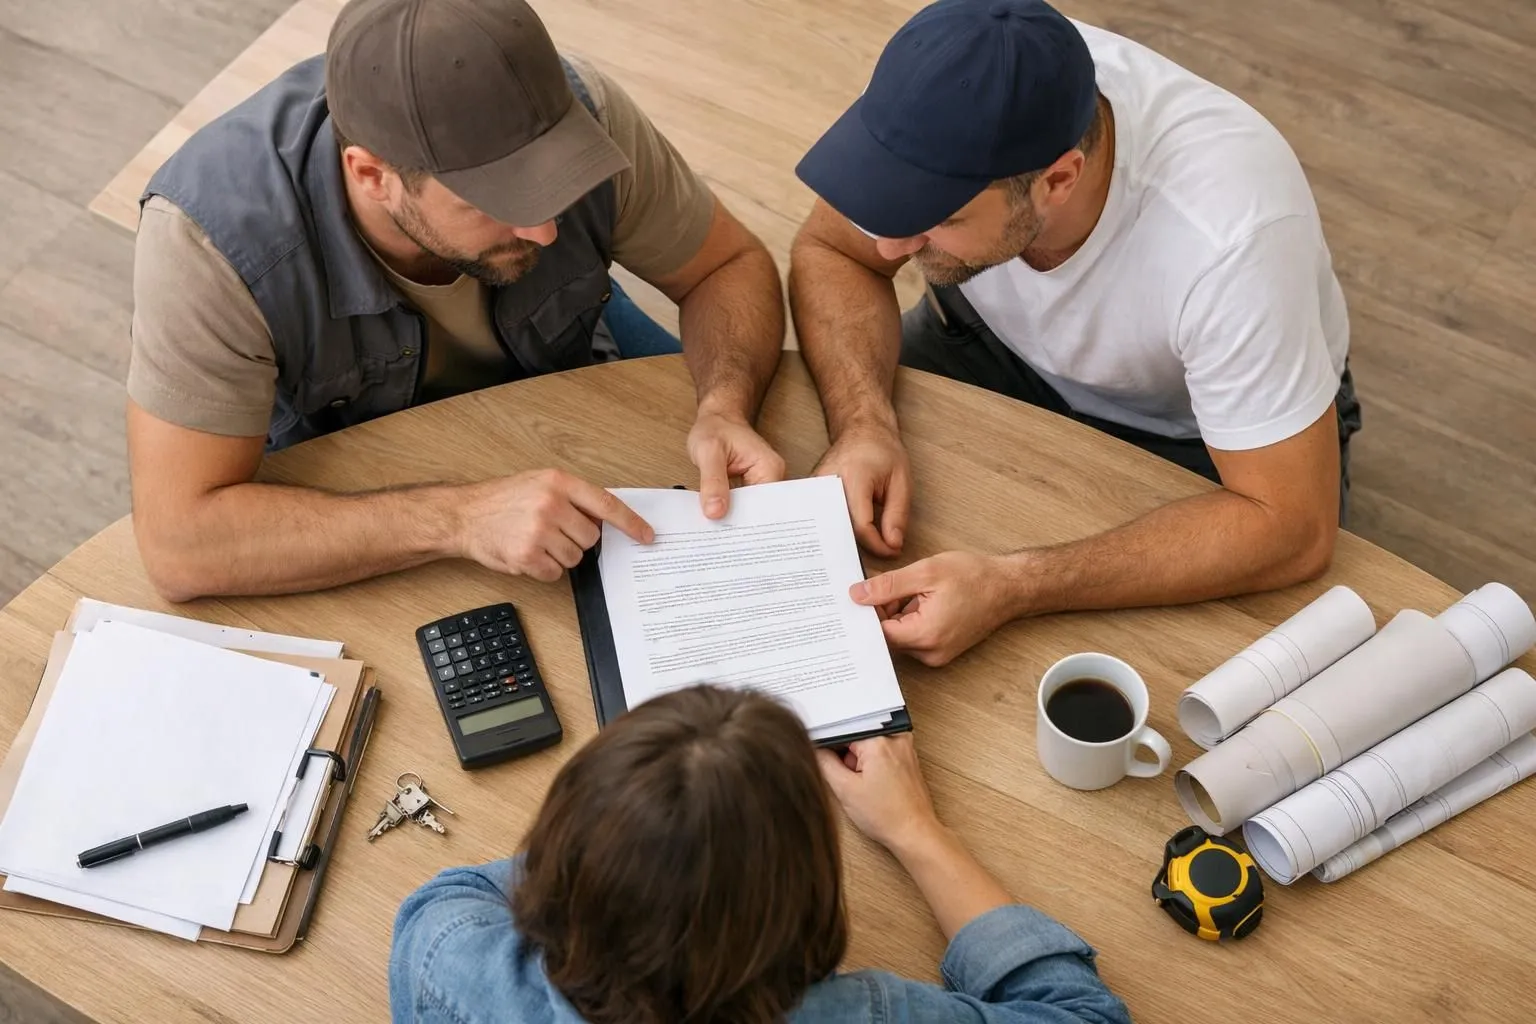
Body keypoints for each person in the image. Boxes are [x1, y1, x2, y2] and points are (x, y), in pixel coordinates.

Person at [126, 0, 787, 602]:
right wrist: (460, 518)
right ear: (372, 174)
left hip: (556, 393)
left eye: (558, 179)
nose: (545, 231)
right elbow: (180, 545)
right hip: (351, 494)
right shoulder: (212, 245)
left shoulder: (585, 110)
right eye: (500, 199)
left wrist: (724, 404)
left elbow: (726, 264)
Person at [790, 0, 1361, 666]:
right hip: (984, 342)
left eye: (935, 217)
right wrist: (864, 422)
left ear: (1058, 179)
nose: (890, 244)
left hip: (1188, 434)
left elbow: (1292, 525)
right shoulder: (945, 88)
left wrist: (1015, 586)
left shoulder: (1231, 240)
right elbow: (834, 250)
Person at [389, 685, 1132, 1023]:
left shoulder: (443, 948)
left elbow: (462, 893)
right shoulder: (863, 1015)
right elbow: (1082, 1016)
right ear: (799, 903)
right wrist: (916, 831)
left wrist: (624, 838)